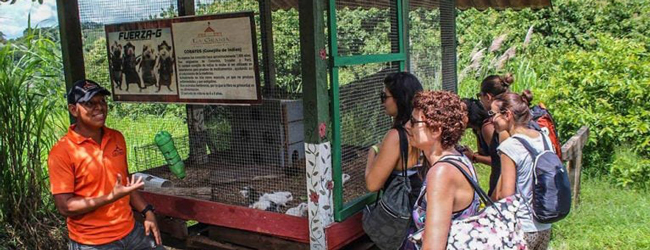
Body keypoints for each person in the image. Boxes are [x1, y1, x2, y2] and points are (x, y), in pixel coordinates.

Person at [47, 79, 164, 250]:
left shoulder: (116, 137)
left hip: (130, 231)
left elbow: (125, 182)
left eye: (102, 101)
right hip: (93, 241)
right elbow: (65, 207)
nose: (99, 107)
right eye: (90, 103)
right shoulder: (62, 151)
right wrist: (110, 197)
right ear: (73, 110)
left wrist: (147, 212)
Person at [407, 91, 480, 250]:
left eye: (413, 121)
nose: (407, 125)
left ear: (436, 130)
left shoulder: (442, 173)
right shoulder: (459, 158)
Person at [365, 72, 423, 249]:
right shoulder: (420, 127)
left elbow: (372, 184)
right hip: (419, 210)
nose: (382, 102)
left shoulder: (396, 135)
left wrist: (372, 153)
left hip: (402, 220)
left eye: (385, 96)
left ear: (399, 98)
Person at [491, 92, 552, 250]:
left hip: (521, 227)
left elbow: (506, 196)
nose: (491, 119)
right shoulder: (544, 137)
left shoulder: (510, 147)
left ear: (508, 115)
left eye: (493, 114)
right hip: (544, 225)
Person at [461, 73, 513, 199]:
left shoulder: (490, 127)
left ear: (488, 97)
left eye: (480, 96)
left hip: (503, 185)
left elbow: (500, 159)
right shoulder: (484, 127)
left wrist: (474, 157)